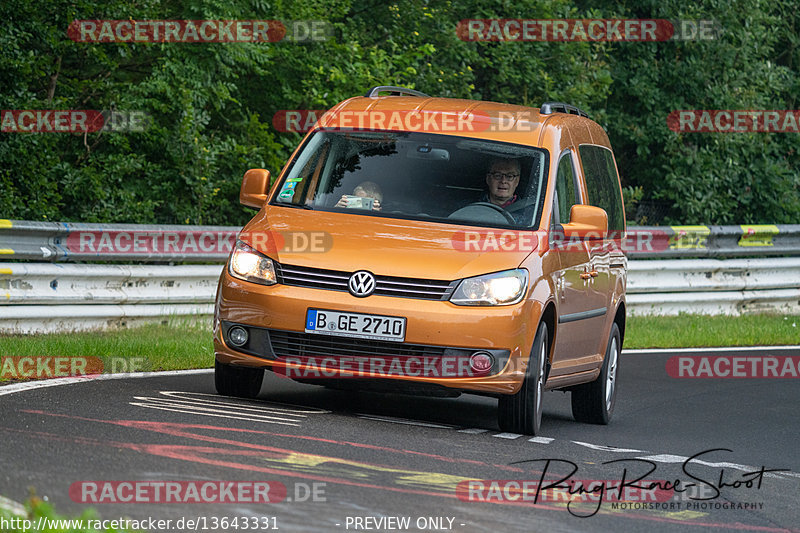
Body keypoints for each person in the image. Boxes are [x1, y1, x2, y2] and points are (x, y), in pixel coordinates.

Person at [481, 158, 534, 225]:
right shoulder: (471, 208)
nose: (503, 181)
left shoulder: (532, 215)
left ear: (517, 181)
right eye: (497, 175)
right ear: (488, 179)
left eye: (509, 176)